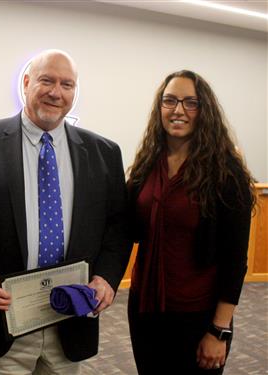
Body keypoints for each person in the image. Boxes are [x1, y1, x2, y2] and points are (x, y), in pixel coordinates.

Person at [0, 49, 132, 374]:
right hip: (0, 322)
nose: (55, 92)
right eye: (47, 80)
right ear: (26, 82)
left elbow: (117, 227)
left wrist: (106, 278)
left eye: (67, 84)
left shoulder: (103, 153)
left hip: (71, 319)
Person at [126, 70, 256, 375]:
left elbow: (235, 259)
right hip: (145, 310)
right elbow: (125, 227)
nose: (178, 110)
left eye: (190, 102)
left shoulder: (226, 173)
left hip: (199, 316)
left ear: (204, 111)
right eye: (169, 101)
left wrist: (219, 330)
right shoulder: (147, 163)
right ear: (160, 108)